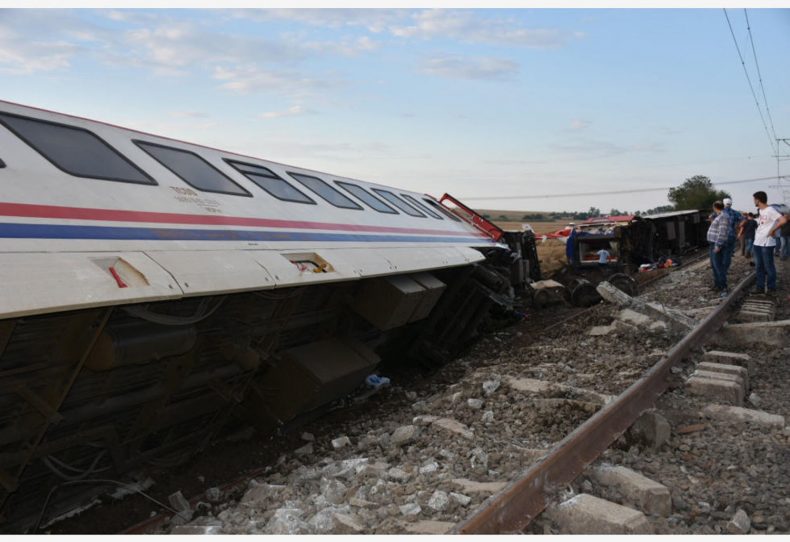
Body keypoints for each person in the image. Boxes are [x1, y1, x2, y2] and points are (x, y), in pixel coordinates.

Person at [752, 191, 789, 295]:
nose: (754, 201)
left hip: (766, 243)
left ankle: (771, 288)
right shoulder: (761, 211)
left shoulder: (770, 210)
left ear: (758, 200)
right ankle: (760, 288)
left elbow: (783, 220)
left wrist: (773, 230)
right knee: (759, 266)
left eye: (754, 199)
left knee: (768, 266)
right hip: (757, 242)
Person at [707, 201, 731, 297]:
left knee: (718, 266)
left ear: (714, 207)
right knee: (714, 266)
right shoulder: (719, 215)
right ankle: (717, 285)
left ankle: (723, 287)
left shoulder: (723, 216)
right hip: (712, 244)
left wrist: (718, 245)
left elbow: (723, 232)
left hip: (717, 244)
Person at [721, 198, 742, 274]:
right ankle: (725, 270)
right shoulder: (735, 213)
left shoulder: (719, 212)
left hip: (720, 236)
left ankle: (720, 269)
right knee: (728, 254)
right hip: (731, 236)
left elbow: (711, 217)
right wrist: (738, 226)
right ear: (731, 204)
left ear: (723, 203)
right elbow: (743, 219)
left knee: (720, 253)